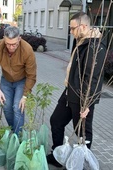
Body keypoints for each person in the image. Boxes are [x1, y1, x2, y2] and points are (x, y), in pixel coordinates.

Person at [47, 12, 106, 167]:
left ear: (84, 26)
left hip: (83, 97)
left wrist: (87, 103)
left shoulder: (95, 47)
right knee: (56, 121)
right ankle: (57, 155)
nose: (71, 32)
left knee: (82, 132)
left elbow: (93, 78)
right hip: (69, 91)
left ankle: (81, 162)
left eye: (73, 28)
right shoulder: (81, 41)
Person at [0, 26, 37, 134]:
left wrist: (25, 95)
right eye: (8, 44)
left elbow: (31, 75)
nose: (11, 47)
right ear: (3, 38)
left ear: (19, 39)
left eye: (14, 44)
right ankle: (14, 130)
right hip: (6, 80)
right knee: (6, 107)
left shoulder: (27, 50)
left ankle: (18, 137)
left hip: (21, 81)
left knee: (17, 107)